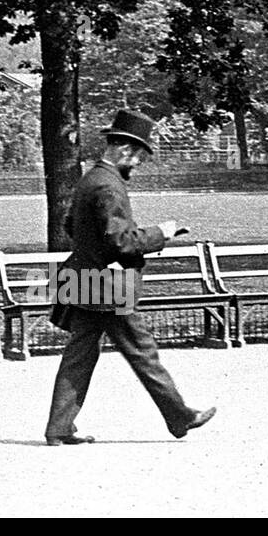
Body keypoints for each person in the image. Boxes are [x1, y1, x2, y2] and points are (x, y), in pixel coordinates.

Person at [44, 109, 217, 445]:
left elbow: (71, 226)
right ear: (123, 149)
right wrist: (161, 233)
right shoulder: (109, 186)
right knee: (142, 351)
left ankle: (58, 428)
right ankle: (179, 415)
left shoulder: (90, 179)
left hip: (84, 282)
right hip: (109, 287)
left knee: (80, 355)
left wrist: (94, 249)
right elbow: (121, 242)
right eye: (137, 156)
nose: (137, 163)